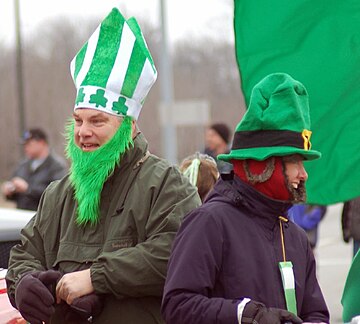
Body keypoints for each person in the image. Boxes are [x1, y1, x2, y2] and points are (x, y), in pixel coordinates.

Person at [6, 8, 200, 324]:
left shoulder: (166, 184)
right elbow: (26, 253)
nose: (83, 131)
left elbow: (177, 253)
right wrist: (24, 282)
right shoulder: (59, 194)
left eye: (97, 121)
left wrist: (96, 278)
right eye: (79, 120)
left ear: (130, 126)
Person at [162, 73, 329, 323]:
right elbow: (177, 307)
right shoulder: (209, 223)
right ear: (262, 166)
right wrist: (244, 314)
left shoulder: (295, 237)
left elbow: (315, 312)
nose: (303, 174)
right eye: (295, 162)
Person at [1, 128, 67, 211]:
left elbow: (58, 193)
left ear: (42, 143)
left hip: (43, 217)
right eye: (25, 145)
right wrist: (9, 191)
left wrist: (28, 189)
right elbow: (14, 194)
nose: (26, 148)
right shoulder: (23, 165)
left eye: (29, 144)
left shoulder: (56, 166)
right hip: (21, 215)